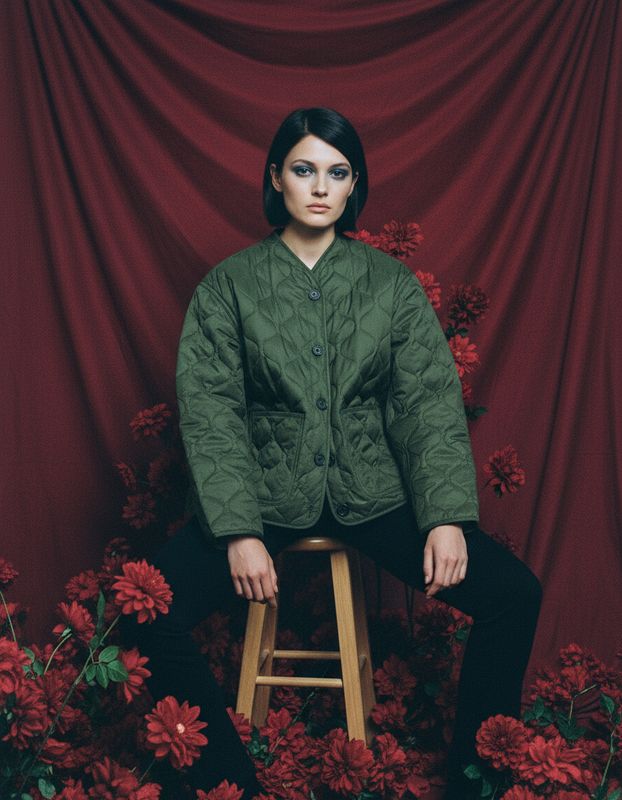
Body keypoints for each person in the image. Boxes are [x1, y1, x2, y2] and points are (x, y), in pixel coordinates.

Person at [120, 107, 542, 799]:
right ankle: (230, 784)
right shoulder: (229, 286)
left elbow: (426, 404)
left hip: (373, 496)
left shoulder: (391, 285)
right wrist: (239, 530)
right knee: (145, 609)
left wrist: (444, 517)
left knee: (514, 595)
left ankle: (477, 787)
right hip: (265, 499)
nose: (320, 187)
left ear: (354, 186)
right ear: (276, 179)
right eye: (304, 169)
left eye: (337, 172)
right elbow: (212, 412)